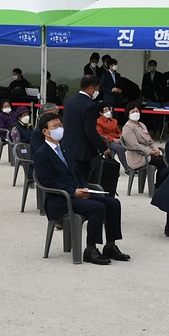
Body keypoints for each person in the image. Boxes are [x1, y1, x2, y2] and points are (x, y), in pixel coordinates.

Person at [33, 113, 127, 264]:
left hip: (77, 193)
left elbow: (77, 172)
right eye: (55, 127)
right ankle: (90, 249)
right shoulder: (41, 154)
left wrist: (84, 187)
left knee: (113, 204)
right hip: (61, 199)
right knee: (97, 207)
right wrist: (73, 192)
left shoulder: (65, 149)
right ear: (45, 131)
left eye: (60, 125)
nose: (59, 129)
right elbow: (48, 182)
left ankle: (110, 245)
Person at [62, 75, 111, 177]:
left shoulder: (68, 101)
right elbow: (90, 130)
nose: (97, 92)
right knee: (83, 181)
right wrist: (103, 148)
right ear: (91, 88)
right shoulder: (90, 105)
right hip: (83, 151)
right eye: (97, 89)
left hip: (67, 146)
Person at [121, 101, 166, 175]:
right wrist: (151, 152)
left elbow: (150, 141)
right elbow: (135, 145)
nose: (135, 113)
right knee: (162, 162)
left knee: (166, 161)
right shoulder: (128, 127)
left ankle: (160, 184)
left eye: (137, 111)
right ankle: (158, 185)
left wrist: (156, 150)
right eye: (133, 112)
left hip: (148, 154)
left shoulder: (142, 125)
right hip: (139, 157)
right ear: (128, 113)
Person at [96, 102, 129, 172]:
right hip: (107, 141)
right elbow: (101, 134)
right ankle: (127, 168)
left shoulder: (114, 121)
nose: (108, 111)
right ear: (101, 113)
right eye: (105, 110)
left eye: (108, 109)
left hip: (116, 139)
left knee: (130, 144)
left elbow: (118, 131)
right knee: (120, 148)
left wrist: (120, 137)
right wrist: (113, 139)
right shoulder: (98, 122)